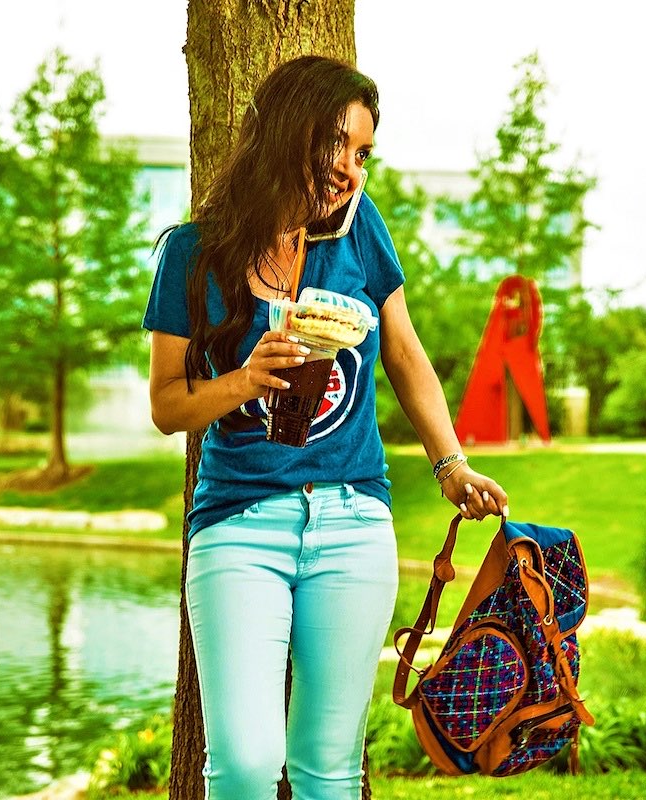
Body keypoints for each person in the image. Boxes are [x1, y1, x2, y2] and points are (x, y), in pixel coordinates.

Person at [143, 55, 509, 800]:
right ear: (287, 136)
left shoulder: (360, 233)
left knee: (329, 770)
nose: (351, 169)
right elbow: (166, 405)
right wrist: (245, 379)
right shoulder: (193, 254)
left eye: (363, 153)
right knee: (243, 763)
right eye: (336, 145)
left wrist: (452, 466)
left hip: (352, 521)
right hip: (239, 522)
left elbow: (404, 354)